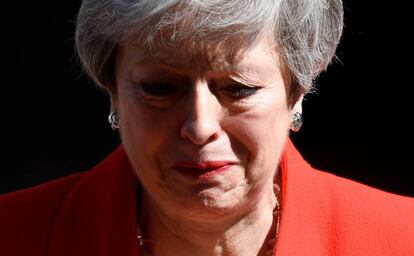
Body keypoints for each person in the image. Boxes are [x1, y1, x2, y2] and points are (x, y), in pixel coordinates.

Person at [1, 0, 413, 255]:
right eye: (160, 88)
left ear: (297, 91)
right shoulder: (13, 235)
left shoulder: (401, 239)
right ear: (112, 90)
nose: (199, 127)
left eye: (238, 89)